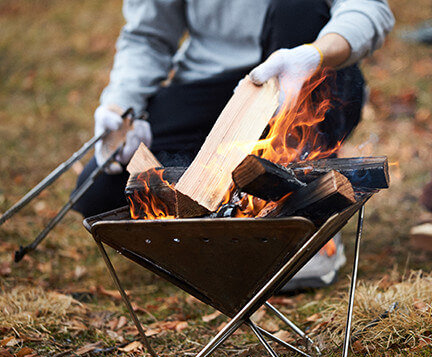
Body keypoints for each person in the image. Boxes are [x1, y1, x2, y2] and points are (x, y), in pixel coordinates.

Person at [73, 0, 394, 290]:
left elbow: (368, 9)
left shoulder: (313, 56)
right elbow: (148, 35)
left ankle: (311, 223)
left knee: (298, 6)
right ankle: (229, 216)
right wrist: (120, 106)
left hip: (307, 68)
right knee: (102, 193)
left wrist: (315, 54)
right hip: (212, 83)